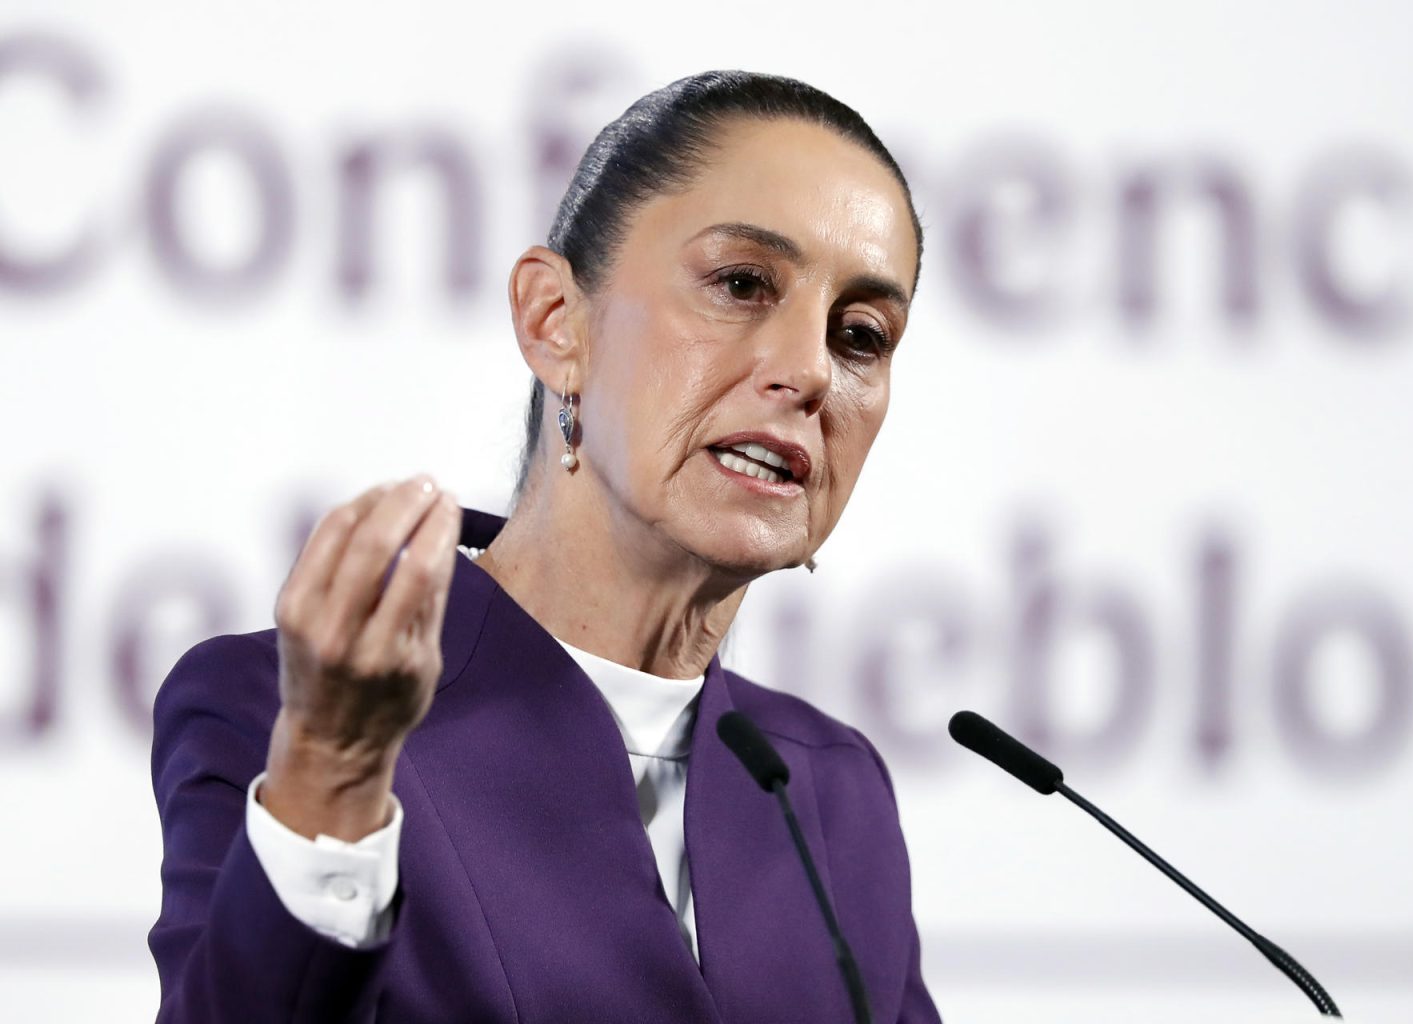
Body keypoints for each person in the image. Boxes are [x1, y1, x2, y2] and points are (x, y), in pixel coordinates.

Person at [148, 70, 940, 1023]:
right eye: (741, 284)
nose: (810, 370)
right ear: (555, 322)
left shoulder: (831, 794)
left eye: (861, 335)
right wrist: (333, 779)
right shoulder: (284, 718)